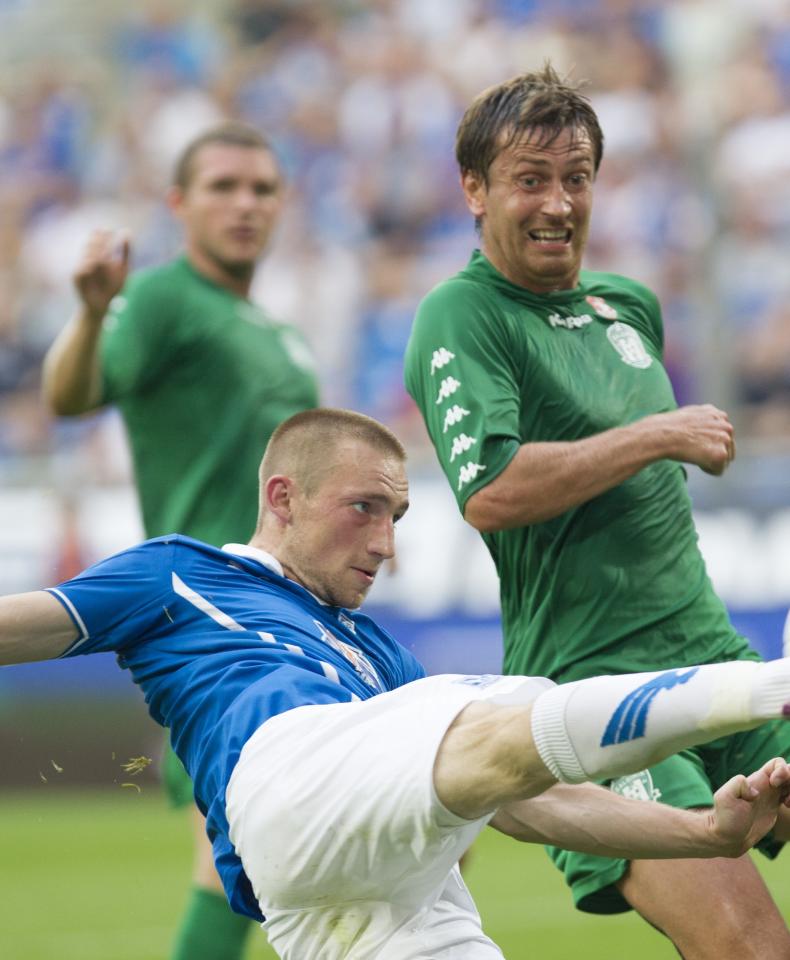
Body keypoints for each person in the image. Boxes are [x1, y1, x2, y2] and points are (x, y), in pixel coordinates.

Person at [3, 407, 790, 960]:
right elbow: (23, 623)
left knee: (489, 727)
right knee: (502, 700)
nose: (385, 543)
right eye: (364, 508)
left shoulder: (382, 661)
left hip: (361, 906)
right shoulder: (181, 574)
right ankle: (771, 687)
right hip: (282, 782)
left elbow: (524, 801)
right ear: (283, 498)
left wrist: (704, 835)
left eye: (398, 516)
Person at [404, 64, 790, 959]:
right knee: (752, 949)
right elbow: (492, 491)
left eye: (575, 177)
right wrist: (655, 434)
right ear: (474, 189)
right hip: (596, 695)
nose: (558, 203)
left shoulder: (628, 307)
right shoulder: (462, 317)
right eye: (529, 179)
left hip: (717, 659)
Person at [41, 121, 319, 960]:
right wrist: (92, 314)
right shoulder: (163, 300)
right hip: (212, 609)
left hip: (285, 612)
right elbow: (71, 395)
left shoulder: (275, 329)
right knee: (247, 856)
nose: (245, 203)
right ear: (179, 204)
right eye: (224, 186)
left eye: (262, 188)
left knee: (277, 860)